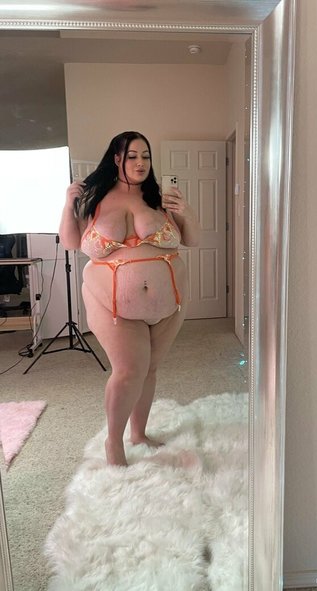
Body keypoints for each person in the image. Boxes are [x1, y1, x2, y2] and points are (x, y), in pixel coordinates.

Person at [59, 131, 200, 466]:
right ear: (117, 159)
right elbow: (70, 242)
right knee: (128, 370)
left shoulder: (158, 199)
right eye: (133, 156)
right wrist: (68, 204)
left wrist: (187, 213)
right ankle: (114, 443)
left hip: (169, 304)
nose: (141, 163)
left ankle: (139, 433)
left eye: (146, 156)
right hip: (112, 305)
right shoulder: (94, 199)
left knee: (149, 369)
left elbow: (192, 240)